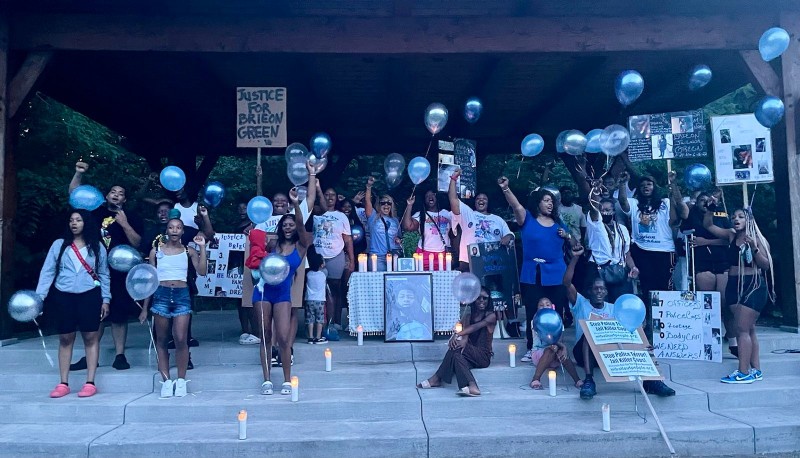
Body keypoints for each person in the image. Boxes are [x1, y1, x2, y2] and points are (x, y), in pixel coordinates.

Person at [564, 246, 675, 399]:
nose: (599, 292)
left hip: (608, 352)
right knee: (589, 333)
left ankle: (651, 381)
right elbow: (567, 283)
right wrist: (575, 258)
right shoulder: (581, 303)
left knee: (636, 333)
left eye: (602, 289)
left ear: (606, 292)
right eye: (595, 289)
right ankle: (589, 380)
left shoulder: (614, 308)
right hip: (584, 352)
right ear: (589, 291)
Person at [69, 161, 143, 371]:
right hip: (93, 271)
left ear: (124, 199)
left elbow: (137, 244)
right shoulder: (94, 212)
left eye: (120, 193)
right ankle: (90, 356)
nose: (116, 195)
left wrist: (124, 223)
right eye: (113, 191)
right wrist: (78, 173)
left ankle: (120, 355)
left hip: (119, 274)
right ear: (107, 195)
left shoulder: (132, 217)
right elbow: (75, 195)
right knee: (94, 314)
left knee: (118, 315)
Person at [36, 210, 110, 398]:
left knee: (90, 337)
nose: (74, 223)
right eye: (71, 220)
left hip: (90, 295)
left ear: (86, 223)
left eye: (78, 220)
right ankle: (63, 382)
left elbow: (103, 274)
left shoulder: (97, 246)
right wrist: (39, 297)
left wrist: (106, 299)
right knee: (65, 338)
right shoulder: (59, 245)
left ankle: (90, 382)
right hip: (64, 295)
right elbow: (48, 272)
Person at [498, 177, 572, 362]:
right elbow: (516, 206)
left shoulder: (559, 223)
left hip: (556, 273)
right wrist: (506, 189)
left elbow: (576, 244)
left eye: (551, 201)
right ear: (538, 202)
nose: (549, 204)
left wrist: (568, 235)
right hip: (533, 273)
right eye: (546, 200)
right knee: (533, 310)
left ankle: (557, 346)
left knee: (556, 311)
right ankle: (532, 347)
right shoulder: (527, 219)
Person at [249, 190, 313, 395]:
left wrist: (295, 205)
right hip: (263, 292)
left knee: (284, 338)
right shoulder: (272, 244)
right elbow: (256, 248)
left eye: (291, 224)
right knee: (265, 335)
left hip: (283, 294)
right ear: (280, 227)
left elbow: (302, 227)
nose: (288, 227)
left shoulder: (301, 245)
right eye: (284, 225)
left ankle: (287, 379)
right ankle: (266, 380)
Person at [702, 207, 772, 384]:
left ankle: (743, 371)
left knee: (742, 329)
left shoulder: (758, 239)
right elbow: (708, 225)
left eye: (741, 217)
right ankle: (756, 369)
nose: (736, 219)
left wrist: (754, 248)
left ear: (749, 220)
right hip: (733, 285)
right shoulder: (732, 235)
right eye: (733, 217)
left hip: (752, 285)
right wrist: (711, 209)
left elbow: (765, 266)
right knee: (749, 329)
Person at [139, 218, 207, 397]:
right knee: (161, 340)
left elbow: (202, 271)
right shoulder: (156, 251)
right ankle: (166, 380)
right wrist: (145, 308)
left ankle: (182, 380)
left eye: (178, 228)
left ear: (183, 231)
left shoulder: (188, 251)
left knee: (180, 338)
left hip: (181, 295)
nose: (175, 230)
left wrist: (202, 248)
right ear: (166, 231)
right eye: (171, 227)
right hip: (160, 295)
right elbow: (150, 281)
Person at [617, 172, 688, 339]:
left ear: (654, 187)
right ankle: (650, 325)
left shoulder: (665, 202)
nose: (645, 187)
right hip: (642, 250)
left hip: (664, 251)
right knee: (648, 290)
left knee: (665, 289)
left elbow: (683, 211)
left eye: (649, 184)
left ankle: (667, 324)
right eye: (642, 186)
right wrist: (622, 184)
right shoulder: (635, 204)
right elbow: (623, 202)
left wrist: (674, 185)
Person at [416, 287, 496, 396]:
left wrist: (457, 334)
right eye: (478, 298)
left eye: (485, 298)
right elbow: (466, 335)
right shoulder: (468, 316)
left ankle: (437, 378)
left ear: (489, 300)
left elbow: (475, 327)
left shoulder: (491, 316)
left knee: (456, 349)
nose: (482, 301)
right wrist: (459, 340)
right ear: (473, 300)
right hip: (470, 355)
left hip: (483, 356)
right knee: (457, 356)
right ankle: (470, 386)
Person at [680, 192, 734, 352]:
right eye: (701, 200)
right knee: (708, 305)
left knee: (726, 304)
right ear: (696, 203)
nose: (704, 203)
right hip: (702, 263)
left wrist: (706, 242)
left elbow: (729, 238)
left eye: (707, 200)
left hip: (723, 262)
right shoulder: (692, 217)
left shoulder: (720, 216)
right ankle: (710, 342)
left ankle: (733, 341)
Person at [448, 168, 513, 271]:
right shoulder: (468, 213)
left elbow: (509, 235)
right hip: (468, 262)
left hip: (492, 262)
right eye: (478, 198)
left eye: (484, 199)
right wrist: (453, 179)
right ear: (475, 202)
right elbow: (453, 199)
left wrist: (508, 237)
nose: (481, 200)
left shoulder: (498, 219)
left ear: (488, 202)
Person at [586, 194, 639, 303]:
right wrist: (595, 193)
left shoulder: (622, 229)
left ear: (614, 211)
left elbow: (626, 253)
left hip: (619, 271)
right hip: (598, 270)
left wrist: (633, 267)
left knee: (620, 303)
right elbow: (594, 209)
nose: (604, 212)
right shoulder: (595, 225)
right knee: (600, 306)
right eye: (602, 210)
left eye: (607, 210)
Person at [314, 185, 354, 329]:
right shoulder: (315, 213)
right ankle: (319, 323)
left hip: (336, 256)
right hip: (317, 257)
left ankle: (336, 322)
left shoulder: (341, 216)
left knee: (335, 290)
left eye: (333, 195)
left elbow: (348, 239)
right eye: (326, 194)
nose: (330, 197)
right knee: (318, 290)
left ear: (337, 198)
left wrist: (351, 260)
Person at [529, 297, 582, 390]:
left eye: (547, 305)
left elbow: (560, 341)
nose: (544, 306)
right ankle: (535, 379)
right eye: (541, 305)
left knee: (561, 351)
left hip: (556, 354)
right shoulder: (535, 321)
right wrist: (557, 346)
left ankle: (577, 380)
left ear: (552, 307)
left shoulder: (558, 321)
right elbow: (545, 338)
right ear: (537, 309)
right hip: (539, 354)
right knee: (550, 350)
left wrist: (563, 348)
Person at [403, 189, 452, 270]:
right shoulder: (420, 214)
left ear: (437, 197)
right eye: (427, 196)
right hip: (424, 253)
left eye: (433, 194)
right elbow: (408, 227)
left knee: (442, 280)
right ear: (424, 200)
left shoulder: (446, 214)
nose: (430, 197)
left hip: (443, 254)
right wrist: (409, 205)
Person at [364, 176, 402, 271]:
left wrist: (399, 240)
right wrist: (369, 187)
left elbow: (400, 237)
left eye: (389, 203)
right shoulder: (373, 217)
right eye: (383, 203)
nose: (386, 205)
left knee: (394, 284)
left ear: (391, 206)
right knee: (378, 284)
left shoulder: (395, 220)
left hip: (394, 256)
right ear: (379, 205)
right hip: (377, 257)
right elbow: (367, 201)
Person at [304, 248, 328, 344]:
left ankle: (310, 337)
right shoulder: (323, 274)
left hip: (309, 299)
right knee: (319, 319)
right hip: (320, 300)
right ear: (321, 264)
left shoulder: (309, 274)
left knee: (310, 318)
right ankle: (318, 337)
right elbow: (325, 269)